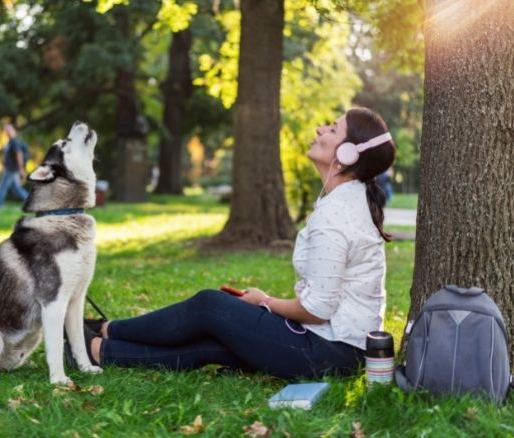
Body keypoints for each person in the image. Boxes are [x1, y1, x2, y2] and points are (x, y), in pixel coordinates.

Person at [71, 107, 396, 380]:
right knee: (217, 343)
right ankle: (100, 351)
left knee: (209, 305)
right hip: (341, 352)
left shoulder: (338, 213)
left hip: (330, 351)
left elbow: (316, 309)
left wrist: (264, 301)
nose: (321, 128)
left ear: (347, 154)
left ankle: (109, 330)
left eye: (333, 127)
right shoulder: (345, 201)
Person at [0, 123, 29, 209]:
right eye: (6, 130)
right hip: (10, 169)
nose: (7, 132)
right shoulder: (9, 142)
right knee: (17, 190)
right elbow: (7, 157)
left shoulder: (14, 142)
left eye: (9, 130)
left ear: (13, 131)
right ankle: (32, 202)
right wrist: (3, 166)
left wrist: (21, 168)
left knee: (2, 187)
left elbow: (19, 154)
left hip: (11, 169)